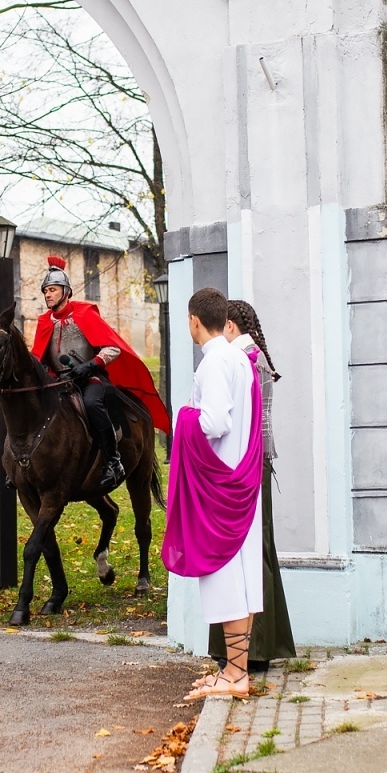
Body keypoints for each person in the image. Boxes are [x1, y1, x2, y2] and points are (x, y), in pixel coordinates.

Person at [164, 288, 266, 699]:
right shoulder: (239, 357)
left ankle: (235, 677)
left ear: (193, 320)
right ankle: (234, 672)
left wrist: (183, 416)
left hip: (219, 485)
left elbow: (216, 420)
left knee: (225, 580)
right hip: (240, 478)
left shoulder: (214, 362)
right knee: (241, 580)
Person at [28, 256, 170, 488]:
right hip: (58, 383)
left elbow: (112, 347)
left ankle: (113, 461)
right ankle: (24, 463)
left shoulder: (84, 315)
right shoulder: (45, 322)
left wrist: (91, 364)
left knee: (93, 404)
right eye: (45, 291)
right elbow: (39, 356)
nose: (47, 294)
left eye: (52, 289)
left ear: (66, 291)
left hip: (89, 379)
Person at [216, 299, 297, 672]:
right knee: (258, 545)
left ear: (230, 326)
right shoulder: (256, 357)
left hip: (247, 462)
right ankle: (260, 644)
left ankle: (253, 649)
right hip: (258, 459)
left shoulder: (243, 359)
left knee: (248, 550)